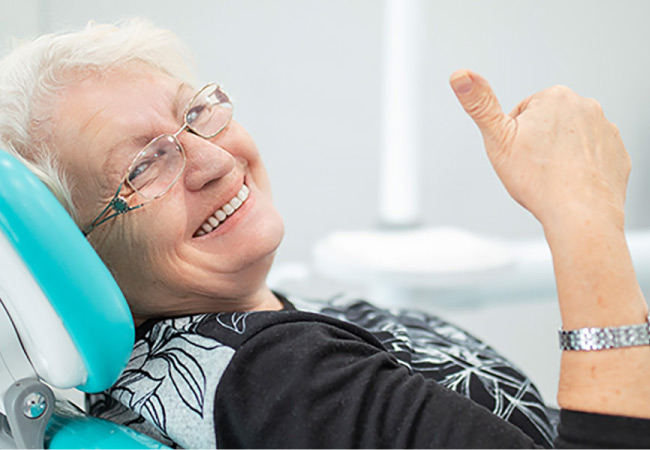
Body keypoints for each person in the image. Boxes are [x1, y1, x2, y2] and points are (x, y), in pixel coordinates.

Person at [0, 19, 649, 448]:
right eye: (144, 167)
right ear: (76, 254)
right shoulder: (280, 381)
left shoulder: (219, 348)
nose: (215, 159)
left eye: (195, 113)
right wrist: (585, 219)